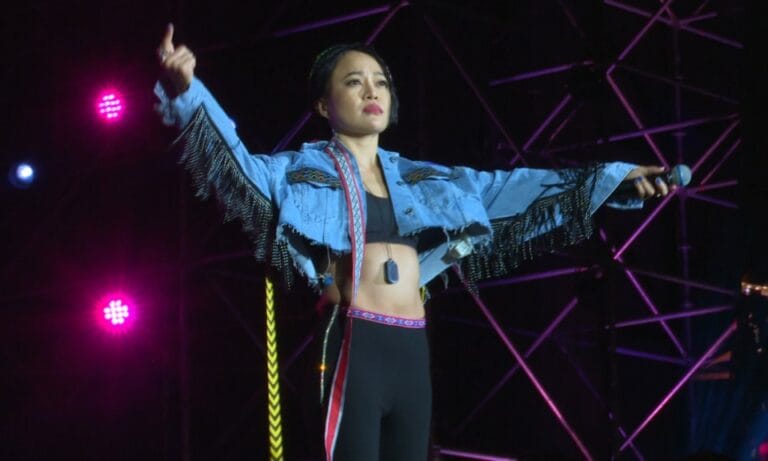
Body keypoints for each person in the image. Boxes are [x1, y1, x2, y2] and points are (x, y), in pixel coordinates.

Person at [154, 23, 672, 461]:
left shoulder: (424, 178)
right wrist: (188, 90)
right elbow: (234, 163)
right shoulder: (298, 171)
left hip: (411, 345)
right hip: (353, 338)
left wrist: (613, 181)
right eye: (353, 82)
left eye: (380, 82)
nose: (371, 91)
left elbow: (512, 189)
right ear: (323, 104)